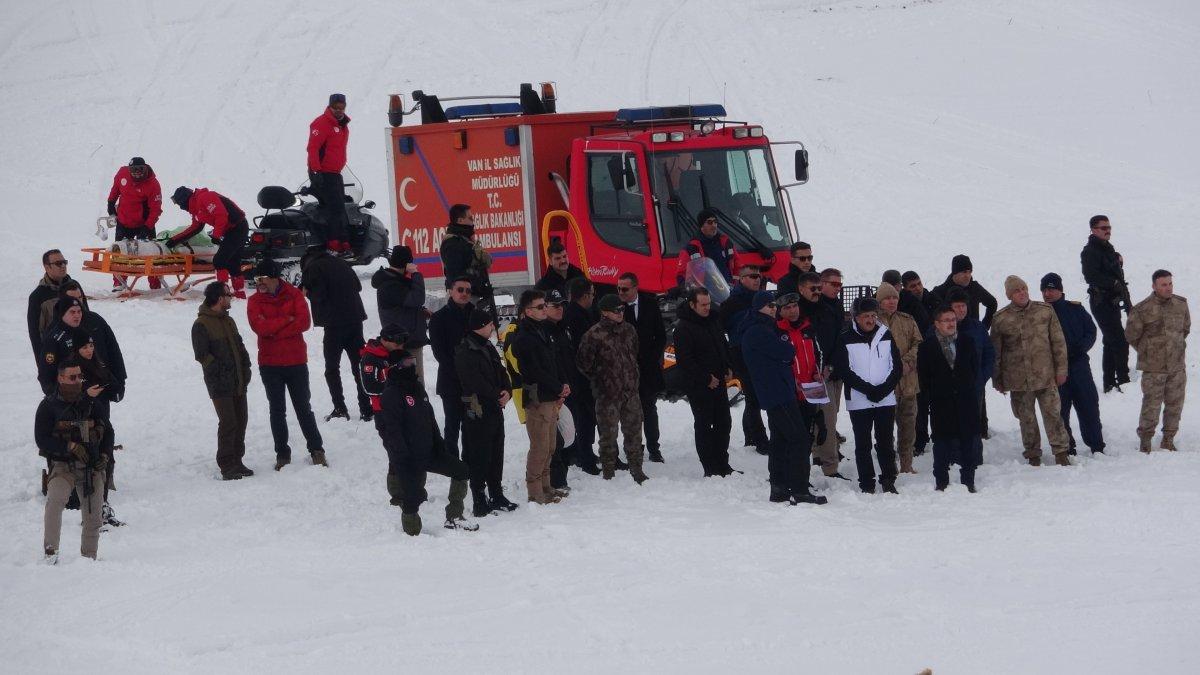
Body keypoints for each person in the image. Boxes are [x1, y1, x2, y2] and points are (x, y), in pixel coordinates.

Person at [379, 345, 477, 535]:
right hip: (408, 456)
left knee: (461, 470)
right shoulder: (390, 394)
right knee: (412, 497)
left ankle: (454, 515)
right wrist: (402, 456)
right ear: (395, 367)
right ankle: (412, 534)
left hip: (430, 451)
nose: (412, 366)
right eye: (407, 363)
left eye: (413, 362)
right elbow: (393, 430)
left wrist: (439, 445)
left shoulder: (417, 388)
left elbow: (430, 419)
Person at [743, 291, 827, 505]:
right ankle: (799, 488)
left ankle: (779, 486)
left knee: (780, 440)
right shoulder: (758, 331)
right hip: (777, 392)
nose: (773, 308)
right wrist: (786, 351)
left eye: (774, 305)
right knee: (798, 438)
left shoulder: (764, 328)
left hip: (780, 390)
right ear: (758, 308)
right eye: (769, 305)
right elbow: (787, 352)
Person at [247, 259, 327, 471]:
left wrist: (274, 328)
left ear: (274, 277)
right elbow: (260, 328)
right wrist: (287, 319)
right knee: (277, 410)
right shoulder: (254, 301)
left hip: (296, 362)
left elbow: (303, 322)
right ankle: (282, 453)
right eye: (257, 279)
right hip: (270, 364)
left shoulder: (294, 295)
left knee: (303, 408)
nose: (259, 282)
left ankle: (317, 449)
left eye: (262, 278)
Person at [990, 276, 1071, 466]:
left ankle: (1061, 452)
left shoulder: (1045, 311)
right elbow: (996, 352)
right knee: (1026, 419)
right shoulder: (1000, 319)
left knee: (1053, 415)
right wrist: (997, 379)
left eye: (1024, 289)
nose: (1022, 293)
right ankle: (1033, 454)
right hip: (1018, 380)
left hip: (1045, 375)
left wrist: (1061, 370)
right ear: (1010, 295)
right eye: (1017, 291)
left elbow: (1058, 343)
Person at [36, 360, 108, 563]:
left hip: (90, 466)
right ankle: (50, 554)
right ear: (60, 378)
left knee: (94, 515)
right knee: (54, 502)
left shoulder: (92, 403)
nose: (77, 381)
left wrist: (104, 456)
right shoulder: (49, 406)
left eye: (80, 377)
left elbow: (107, 430)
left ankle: (89, 558)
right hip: (62, 466)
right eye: (72, 377)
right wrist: (70, 447)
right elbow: (41, 438)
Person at [577, 294, 648, 484]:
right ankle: (608, 470)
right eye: (616, 310)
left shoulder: (629, 330)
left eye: (622, 309)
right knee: (608, 435)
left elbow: (634, 353)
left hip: (630, 391)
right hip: (607, 394)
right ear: (604, 312)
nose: (620, 313)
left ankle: (637, 468)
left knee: (634, 432)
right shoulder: (593, 335)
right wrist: (602, 380)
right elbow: (584, 364)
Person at [836, 297, 903, 494]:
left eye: (873, 315)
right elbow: (845, 370)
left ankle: (889, 478)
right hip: (859, 400)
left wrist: (884, 389)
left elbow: (896, 366)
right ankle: (867, 482)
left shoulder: (886, 335)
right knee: (862, 443)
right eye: (866, 316)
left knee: (885, 442)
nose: (870, 320)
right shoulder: (845, 337)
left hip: (885, 398)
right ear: (856, 317)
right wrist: (868, 390)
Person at [511, 290, 573, 499]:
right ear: (527, 311)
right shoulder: (523, 337)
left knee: (551, 446)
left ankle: (546, 487)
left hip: (551, 396)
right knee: (539, 446)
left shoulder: (543, 331)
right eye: (539, 307)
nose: (544, 309)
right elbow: (534, 370)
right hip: (538, 398)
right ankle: (535, 492)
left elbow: (554, 362)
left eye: (544, 305)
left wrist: (563, 383)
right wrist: (557, 386)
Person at [455, 308, 516, 517]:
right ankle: (479, 499)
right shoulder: (465, 350)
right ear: (481, 326)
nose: (493, 327)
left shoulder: (487, 346)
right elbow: (473, 382)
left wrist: (507, 391)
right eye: (490, 324)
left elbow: (501, 371)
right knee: (479, 455)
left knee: (496, 452)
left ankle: (496, 494)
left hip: (494, 408)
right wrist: (495, 394)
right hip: (477, 410)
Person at [301, 246, 371, 421]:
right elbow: (357, 286)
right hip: (355, 319)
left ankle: (340, 408)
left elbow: (319, 294)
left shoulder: (314, 267)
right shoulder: (341, 262)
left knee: (332, 368)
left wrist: (306, 292)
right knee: (358, 366)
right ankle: (366, 408)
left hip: (334, 324)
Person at [191, 282, 253, 480]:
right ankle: (227, 464)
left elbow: (239, 345)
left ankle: (237, 460)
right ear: (219, 298)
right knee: (229, 422)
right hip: (219, 384)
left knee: (241, 420)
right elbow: (202, 355)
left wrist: (246, 366)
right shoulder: (201, 324)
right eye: (228, 294)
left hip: (238, 380)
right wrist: (220, 371)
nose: (231, 296)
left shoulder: (229, 320)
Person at [917, 307, 982, 492]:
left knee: (968, 441)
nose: (951, 323)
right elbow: (924, 377)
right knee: (942, 443)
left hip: (966, 400)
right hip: (941, 402)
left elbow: (974, 368)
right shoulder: (926, 347)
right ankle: (941, 481)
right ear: (937, 324)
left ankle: (968, 480)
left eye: (953, 319)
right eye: (946, 320)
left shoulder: (967, 342)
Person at [673, 287, 736, 477]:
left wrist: (727, 366)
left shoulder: (713, 319)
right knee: (704, 424)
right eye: (703, 305)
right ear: (692, 305)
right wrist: (706, 378)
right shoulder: (683, 328)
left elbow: (722, 344)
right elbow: (685, 360)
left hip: (719, 381)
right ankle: (710, 467)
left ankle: (723, 463)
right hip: (699, 385)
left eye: (709, 303)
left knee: (724, 423)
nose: (707, 308)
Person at [1126, 269, 1190, 452]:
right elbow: (1132, 335)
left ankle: (1168, 438)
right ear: (1154, 286)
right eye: (1164, 284)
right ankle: (1145, 440)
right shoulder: (1142, 309)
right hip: (1154, 368)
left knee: (1175, 404)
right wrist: (1149, 351)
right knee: (1151, 405)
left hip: (1177, 366)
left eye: (1170, 283)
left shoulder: (1181, 304)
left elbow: (1185, 329)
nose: (1168, 288)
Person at [1040, 273, 1105, 455]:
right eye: (1044, 290)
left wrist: (1080, 348)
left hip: (1079, 367)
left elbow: (1091, 331)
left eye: (1051, 289)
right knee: (1060, 411)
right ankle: (1067, 447)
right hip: (1054, 370)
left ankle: (1096, 445)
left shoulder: (1076, 310)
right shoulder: (1040, 314)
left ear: (1060, 290)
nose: (1047, 293)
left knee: (1089, 406)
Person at [775, 293, 831, 484]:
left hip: (809, 391)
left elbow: (819, 352)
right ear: (780, 311)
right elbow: (778, 362)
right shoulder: (777, 331)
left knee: (806, 436)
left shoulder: (808, 328)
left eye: (794, 307)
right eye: (787, 308)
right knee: (790, 437)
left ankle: (801, 475)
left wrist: (818, 372)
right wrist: (791, 381)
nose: (792, 311)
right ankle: (787, 475)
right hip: (789, 393)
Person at [72, 331, 126, 527]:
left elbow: (113, 382)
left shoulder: (98, 362)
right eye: (85, 347)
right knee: (90, 467)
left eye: (91, 346)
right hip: (84, 423)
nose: (89, 350)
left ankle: (103, 506)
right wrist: (86, 394)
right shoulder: (73, 368)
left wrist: (115, 389)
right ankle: (91, 515)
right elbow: (67, 398)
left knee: (106, 460)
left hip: (103, 419)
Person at [718, 265, 769, 455]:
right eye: (753, 276)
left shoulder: (761, 298)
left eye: (759, 276)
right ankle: (760, 439)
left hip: (759, 354)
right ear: (742, 279)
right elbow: (719, 330)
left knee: (753, 398)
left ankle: (750, 436)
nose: (757, 279)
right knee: (754, 397)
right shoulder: (731, 302)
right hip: (740, 354)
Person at [617, 272, 667, 463]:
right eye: (618, 288)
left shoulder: (650, 304)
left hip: (648, 368)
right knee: (630, 411)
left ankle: (654, 448)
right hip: (625, 370)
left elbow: (660, 335)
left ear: (635, 288)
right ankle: (633, 447)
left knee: (649, 409)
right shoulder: (617, 308)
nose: (621, 292)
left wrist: (652, 358)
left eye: (625, 289)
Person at [167, 186, 249, 298]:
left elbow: (221, 215)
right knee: (232, 262)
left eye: (180, 204)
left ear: (184, 200)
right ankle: (239, 293)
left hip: (238, 227)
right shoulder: (196, 210)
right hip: (231, 230)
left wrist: (216, 235)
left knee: (220, 261)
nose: (181, 207)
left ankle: (223, 293)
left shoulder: (205, 197)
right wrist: (174, 240)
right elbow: (195, 228)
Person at [1080, 215, 1132, 391]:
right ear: (1094, 230)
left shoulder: (1107, 248)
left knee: (1111, 341)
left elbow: (1114, 273)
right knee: (1119, 340)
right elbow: (1091, 276)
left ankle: (1110, 382)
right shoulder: (1090, 251)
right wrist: (1113, 283)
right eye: (1103, 228)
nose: (1107, 230)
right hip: (1101, 301)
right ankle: (1123, 379)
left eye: (1109, 227)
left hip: (1112, 300)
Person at [360, 324, 410, 505]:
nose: (401, 346)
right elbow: (369, 388)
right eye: (397, 342)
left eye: (403, 342)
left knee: (408, 448)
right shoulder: (370, 357)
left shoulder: (398, 354)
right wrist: (395, 388)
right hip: (384, 412)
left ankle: (412, 488)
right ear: (385, 339)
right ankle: (397, 494)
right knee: (395, 451)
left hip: (404, 409)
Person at [876, 283, 923, 473]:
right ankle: (889, 466)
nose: (892, 301)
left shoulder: (907, 320)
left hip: (909, 383)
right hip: (886, 385)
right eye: (887, 298)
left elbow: (917, 343)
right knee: (885, 430)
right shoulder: (874, 322)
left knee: (908, 426)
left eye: (894, 298)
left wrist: (909, 361)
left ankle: (906, 464)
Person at [429, 275, 476, 458]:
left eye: (468, 291)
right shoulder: (439, 318)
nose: (465, 294)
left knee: (472, 426)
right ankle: (452, 464)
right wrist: (461, 370)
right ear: (451, 291)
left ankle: (470, 461)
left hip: (474, 381)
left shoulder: (476, 314)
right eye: (460, 290)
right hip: (451, 381)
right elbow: (440, 354)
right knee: (452, 425)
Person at [372, 245, 429, 382]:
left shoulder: (392, 281)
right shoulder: (391, 284)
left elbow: (403, 306)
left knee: (410, 382)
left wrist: (421, 312)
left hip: (404, 339)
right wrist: (415, 273)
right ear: (407, 263)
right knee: (413, 383)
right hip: (404, 343)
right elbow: (417, 298)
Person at [106, 157, 164, 291]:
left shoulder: (153, 184)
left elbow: (156, 209)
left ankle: (155, 285)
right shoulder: (122, 173)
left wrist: (147, 226)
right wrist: (110, 202)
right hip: (124, 221)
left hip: (144, 224)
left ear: (145, 168)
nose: (137, 173)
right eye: (133, 170)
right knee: (119, 253)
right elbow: (116, 188)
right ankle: (119, 283)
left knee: (151, 255)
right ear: (129, 169)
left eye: (140, 169)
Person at [812, 268, 849, 477]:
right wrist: (826, 365)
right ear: (822, 283)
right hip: (822, 372)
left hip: (835, 371)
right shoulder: (817, 308)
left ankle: (820, 453)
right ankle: (830, 465)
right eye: (834, 284)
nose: (838, 288)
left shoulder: (836, 305)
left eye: (840, 284)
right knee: (826, 419)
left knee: (829, 416)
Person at [946, 288, 995, 438]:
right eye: (957, 306)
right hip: (949, 388)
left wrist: (981, 377)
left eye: (963, 306)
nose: (961, 310)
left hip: (974, 386)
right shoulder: (940, 327)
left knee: (973, 424)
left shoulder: (977, 327)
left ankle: (973, 456)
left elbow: (989, 354)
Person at [564, 277, 601, 474]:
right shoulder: (573, 316)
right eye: (592, 294)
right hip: (580, 377)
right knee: (585, 418)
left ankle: (587, 452)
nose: (593, 298)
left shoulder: (586, 312)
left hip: (586, 375)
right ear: (585, 295)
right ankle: (585, 456)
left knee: (589, 417)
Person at [307, 93, 352, 252]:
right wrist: (316, 171)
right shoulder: (322, 123)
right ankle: (334, 242)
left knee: (340, 206)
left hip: (335, 172)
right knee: (335, 207)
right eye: (336, 108)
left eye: (342, 107)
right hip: (324, 172)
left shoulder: (342, 125)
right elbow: (313, 148)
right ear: (330, 106)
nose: (339, 111)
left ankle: (343, 240)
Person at [544, 289, 579, 491]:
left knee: (569, 437)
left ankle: (561, 476)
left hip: (568, 390)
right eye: (555, 305)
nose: (560, 309)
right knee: (554, 440)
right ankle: (556, 481)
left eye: (561, 305)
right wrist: (556, 388)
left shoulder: (563, 329)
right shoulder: (543, 331)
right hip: (552, 394)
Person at [902, 270, 939, 456]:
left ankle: (939, 435)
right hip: (916, 361)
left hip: (934, 358)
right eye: (912, 286)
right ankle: (920, 439)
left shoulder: (934, 299)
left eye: (918, 283)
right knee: (920, 403)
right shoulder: (906, 305)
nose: (917, 288)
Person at [439, 203, 495, 318]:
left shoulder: (465, 241)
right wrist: (472, 288)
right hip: (464, 297)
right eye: (470, 218)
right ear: (460, 220)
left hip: (473, 294)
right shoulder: (453, 243)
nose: (473, 221)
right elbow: (457, 273)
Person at [932, 255, 998, 328]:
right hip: (950, 337)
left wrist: (983, 328)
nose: (968, 275)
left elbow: (992, 303)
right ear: (955, 273)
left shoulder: (975, 288)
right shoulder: (939, 292)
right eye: (964, 272)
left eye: (970, 272)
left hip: (973, 335)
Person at [28, 249, 72, 359]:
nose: (63, 266)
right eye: (58, 263)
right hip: (56, 355)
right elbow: (36, 335)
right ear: (47, 267)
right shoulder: (38, 296)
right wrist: (42, 364)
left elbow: (87, 319)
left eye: (64, 262)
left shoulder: (74, 287)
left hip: (80, 353)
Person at [676, 208, 737, 286]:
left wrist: (737, 285)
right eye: (709, 222)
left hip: (728, 290)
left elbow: (737, 265)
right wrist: (692, 290)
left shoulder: (726, 243)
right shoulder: (691, 248)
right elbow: (682, 275)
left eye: (715, 222)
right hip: (706, 293)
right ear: (701, 226)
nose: (714, 225)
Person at [38, 297, 86, 395]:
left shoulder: (83, 332)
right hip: (65, 395)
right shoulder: (54, 338)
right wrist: (58, 397)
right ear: (62, 314)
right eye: (72, 312)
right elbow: (46, 375)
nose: (77, 315)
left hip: (85, 392)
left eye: (79, 311)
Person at [882, 270, 931, 334]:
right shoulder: (875, 301)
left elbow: (923, 327)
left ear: (900, 286)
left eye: (895, 289)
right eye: (887, 298)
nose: (892, 301)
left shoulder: (911, 302)